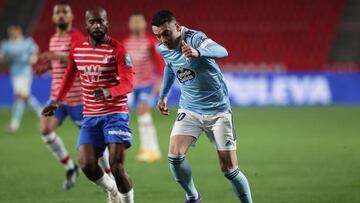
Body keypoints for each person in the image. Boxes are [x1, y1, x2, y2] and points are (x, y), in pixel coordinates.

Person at [151, 10, 253, 203]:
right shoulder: (162, 48)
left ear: (178, 27)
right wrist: (162, 95)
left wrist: (198, 52)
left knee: (229, 170)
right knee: (174, 156)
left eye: (166, 33)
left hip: (218, 111)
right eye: (158, 35)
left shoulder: (195, 39)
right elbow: (170, 66)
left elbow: (223, 51)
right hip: (190, 110)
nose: (163, 39)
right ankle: (193, 197)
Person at [42, 7, 134, 203]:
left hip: (115, 114)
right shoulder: (78, 48)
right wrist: (57, 101)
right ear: (87, 24)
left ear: (107, 23)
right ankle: (112, 190)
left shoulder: (117, 49)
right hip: (91, 116)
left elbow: (128, 82)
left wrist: (110, 91)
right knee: (86, 165)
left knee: (116, 166)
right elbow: (69, 76)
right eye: (92, 22)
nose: (97, 25)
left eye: (101, 21)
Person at [35, 2, 113, 190]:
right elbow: (61, 66)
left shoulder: (77, 37)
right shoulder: (53, 38)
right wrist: (47, 66)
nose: (61, 15)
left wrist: (54, 56)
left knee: (95, 143)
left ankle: (110, 174)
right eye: (58, 13)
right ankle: (70, 167)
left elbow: (78, 58)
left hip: (79, 100)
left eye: (65, 12)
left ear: (71, 17)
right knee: (45, 130)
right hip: (58, 99)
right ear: (53, 18)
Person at [123, 12, 164, 163]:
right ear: (129, 25)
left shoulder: (150, 42)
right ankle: (147, 148)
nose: (136, 24)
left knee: (143, 111)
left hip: (147, 85)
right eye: (133, 21)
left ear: (144, 24)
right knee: (140, 115)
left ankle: (152, 149)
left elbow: (160, 64)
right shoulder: (126, 43)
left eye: (139, 21)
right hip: (132, 86)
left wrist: (160, 83)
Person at [0, 24, 42, 133]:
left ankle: (15, 124)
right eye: (10, 32)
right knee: (23, 97)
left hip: (25, 73)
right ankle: (41, 113)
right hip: (14, 73)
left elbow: (35, 51)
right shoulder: (6, 45)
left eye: (14, 32)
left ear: (18, 32)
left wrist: (32, 58)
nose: (12, 34)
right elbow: (2, 58)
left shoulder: (26, 42)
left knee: (19, 96)